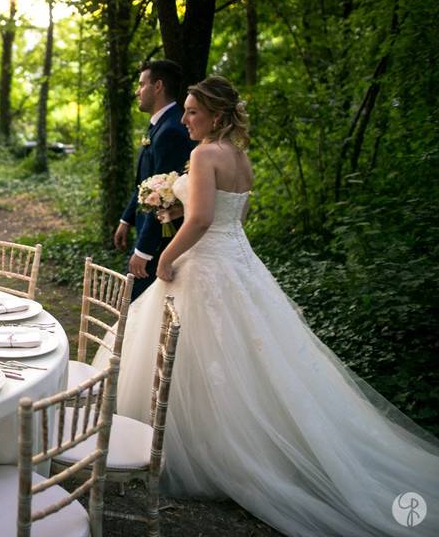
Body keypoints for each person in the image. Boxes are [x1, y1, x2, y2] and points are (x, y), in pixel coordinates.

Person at [93, 76, 439, 535]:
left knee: (187, 350)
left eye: (194, 112)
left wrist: (167, 256)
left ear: (215, 116)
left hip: (206, 264)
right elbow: (235, 217)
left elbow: (201, 219)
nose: (186, 119)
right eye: (186, 111)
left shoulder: (201, 154)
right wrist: (176, 211)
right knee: (245, 356)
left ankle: (202, 447)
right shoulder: (240, 157)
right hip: (239, 261)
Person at [114, 60, 194, 300]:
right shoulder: (158, 126)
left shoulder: (172, 130)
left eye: (142, 85)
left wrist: (144, 251)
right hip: (148, 230)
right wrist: (126, 219)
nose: (138, 91)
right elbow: (145, 183)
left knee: (139, 303)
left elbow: (164, 199)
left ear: (157, 86)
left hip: (162, 239)